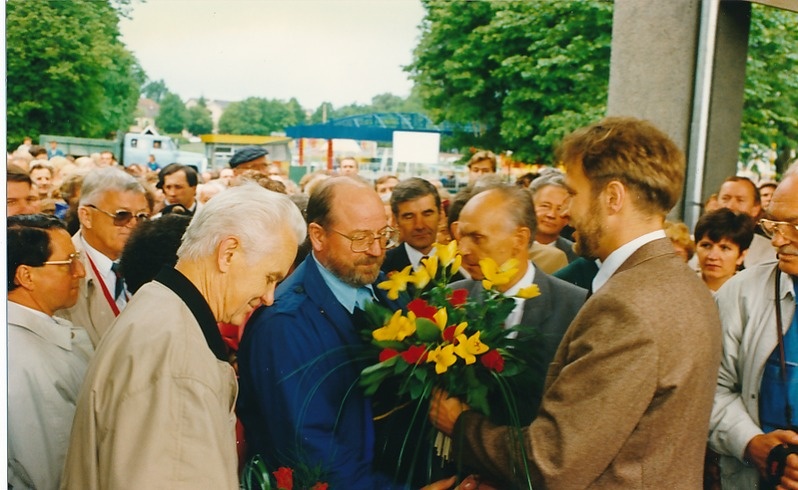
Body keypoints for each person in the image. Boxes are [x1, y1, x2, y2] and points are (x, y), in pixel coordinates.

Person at [429, 116, 722, 488]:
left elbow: (552, 462)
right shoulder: (684, 282)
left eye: (573, 193)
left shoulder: (625, 306)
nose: (565, 211)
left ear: (613, 197)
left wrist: (461, 425)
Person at [61, 184, 306, 489]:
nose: (269, 296)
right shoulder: (177, 358)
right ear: (228, 253)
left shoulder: (159, 308)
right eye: (270, 277)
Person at [237, 177, 455, 490]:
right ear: (318, 236)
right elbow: (310, 447)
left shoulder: (389, 292)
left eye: (383, 235)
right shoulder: (283, 324)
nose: (377, 249)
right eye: (360, 238)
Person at [453, 184, 587, 422]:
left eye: (477, 237)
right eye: (461, 235)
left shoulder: (576, 306)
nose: (463, 250)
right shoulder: (449, 301)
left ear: (520, 238)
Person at [708, 167, 798, 489]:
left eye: (795, 226)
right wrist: (750, 444)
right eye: (773, 223)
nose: (778, 238)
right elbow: (710, 389)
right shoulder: (740, 292)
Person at [7, 214, 93, 490]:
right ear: (26, 276)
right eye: (68, 263)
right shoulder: (22, 360)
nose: (80, 271)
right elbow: (55, 468)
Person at [56, 168, 150, 347]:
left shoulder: (147, 262)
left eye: (141, 217)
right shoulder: (62, 270)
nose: (133, 224)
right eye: (122, 216)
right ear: (86, 216)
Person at [382, 178, 444, 275]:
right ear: (396, 220)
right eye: (409, 217)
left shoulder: (459, 266)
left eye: (427, 214)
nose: (419, 226)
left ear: (441, 214)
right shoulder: (381, 267)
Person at [716, 175, 775, 267]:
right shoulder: (699, 242)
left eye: (740, 200)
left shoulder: (768, 252)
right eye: (725, 199)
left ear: (755, 208)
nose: (730, 206)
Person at [694, 208, 754, 292]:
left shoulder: (751, 293)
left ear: (741, 256)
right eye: (706, 245)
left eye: (724, 248)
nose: (712, 256)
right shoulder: (680, 286)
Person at [529, 169, 578, 262]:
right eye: (545, 206)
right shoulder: (510, 245)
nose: (551, 215)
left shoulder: (575, 256)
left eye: (560, 209)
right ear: (530, 206)